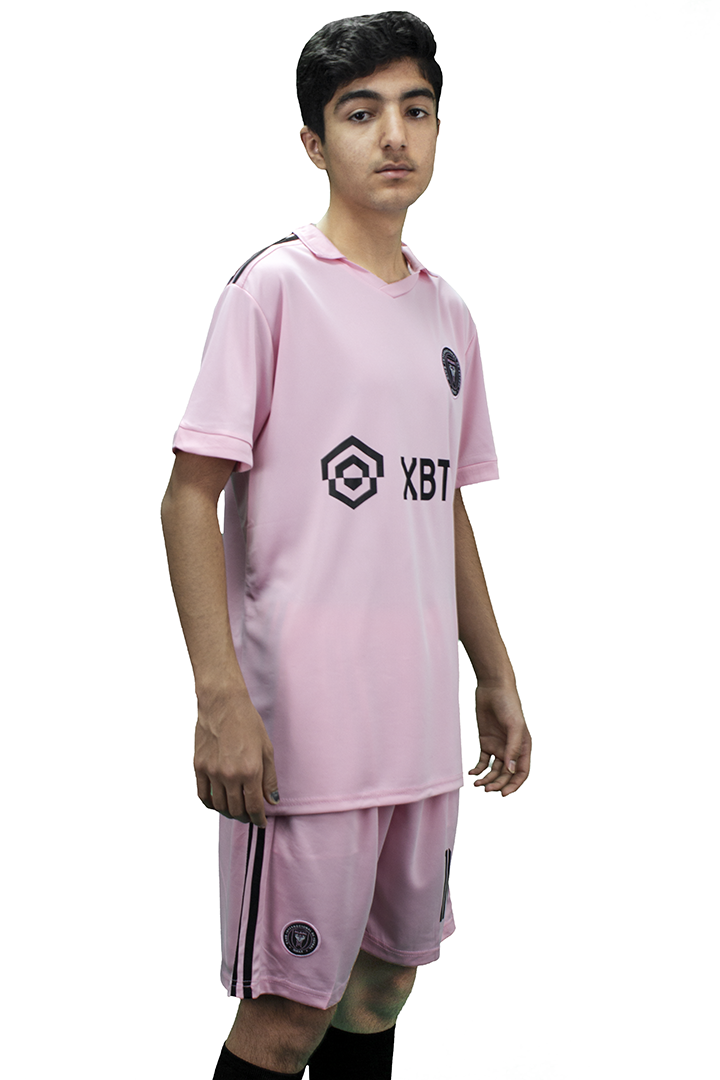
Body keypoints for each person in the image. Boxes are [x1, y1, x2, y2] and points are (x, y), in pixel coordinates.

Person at [161, 11, 532, 1079]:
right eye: (361, 113)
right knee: (288, 1016)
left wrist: (495, 674)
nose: (395, 135)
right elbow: (187, 500)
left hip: (416, 731)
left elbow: (439, 505)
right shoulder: (273, 289)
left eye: (417, 110)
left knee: (379, 993)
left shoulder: (449, 316)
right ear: (315, 142)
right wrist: (221, 699)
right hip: (305, 739)